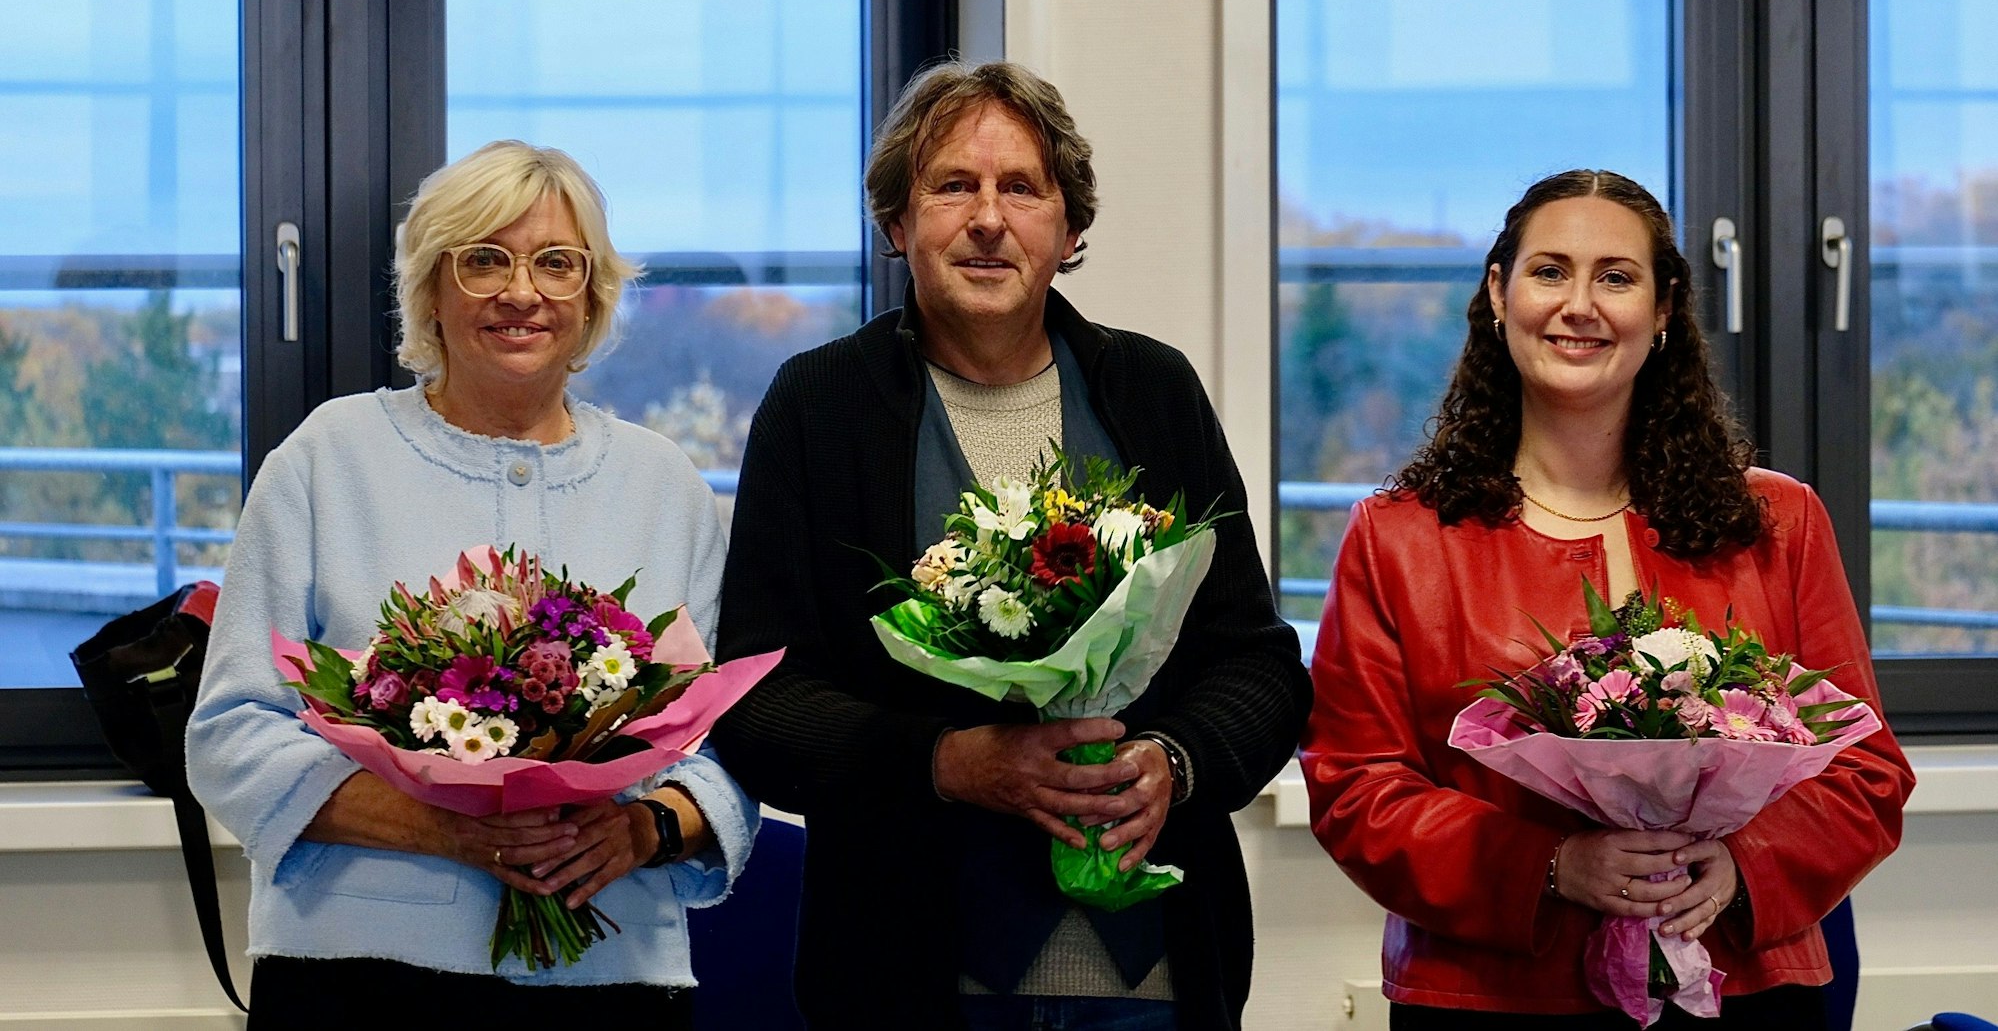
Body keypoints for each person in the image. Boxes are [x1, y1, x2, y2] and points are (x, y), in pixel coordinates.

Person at [709, 60, 1311, 1030]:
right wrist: (944, 759)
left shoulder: (1154, 394)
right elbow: (757, 697)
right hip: (904, 977)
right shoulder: (819, 408)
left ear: (1068, 231)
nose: (987, 218)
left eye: (1020, 187)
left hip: (1154, 982)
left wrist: (1175, 758)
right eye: (953, 185)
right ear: (898, 224)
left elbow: (1259, 665)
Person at [1298, 169, 1916, 1028]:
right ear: (1497, 292)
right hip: (1492, 995)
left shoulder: (1779, 522)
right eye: (1549, 271)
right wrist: (1551, 865)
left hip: (1749, 986)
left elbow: (1867, 768)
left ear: (1663, 310)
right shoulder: (1398, 536)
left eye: (1615, 277)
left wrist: (1742, 866)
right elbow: (1356, 785)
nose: (1578, 304)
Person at [186, 140, 756, 1027]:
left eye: (556, 264)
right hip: (359, 977)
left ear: (594, 295)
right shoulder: (327, 459)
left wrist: (642, 831)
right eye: (484, 259)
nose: (521, 292)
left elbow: (728, 746)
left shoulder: (665, 484)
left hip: (612, 977)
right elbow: (230, 735)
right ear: (433, 290)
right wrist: (447, 829)